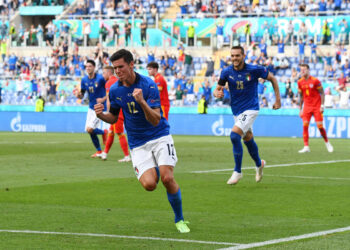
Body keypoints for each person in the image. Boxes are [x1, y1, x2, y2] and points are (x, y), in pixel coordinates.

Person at [94, 49, 190, 233]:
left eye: (121, 67)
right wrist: (101, 115)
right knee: (149, 185)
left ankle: (180, 219)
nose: (118, 72)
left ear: (131, 64)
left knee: (167, 178)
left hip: (159, 136)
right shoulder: (114, 90)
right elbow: (113, 118)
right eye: (115, 68)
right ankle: (155, 166)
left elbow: (155, 119)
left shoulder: (148, 84)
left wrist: (142, 102)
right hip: (138, 143)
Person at [213, 45, 281, 185]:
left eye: (237, 55)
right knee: (248, 138)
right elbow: (217, 88)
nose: (234, 58)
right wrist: (217, 93)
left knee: (234, 135)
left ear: (243, 56)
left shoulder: (254, 70)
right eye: (232, 56)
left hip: (251, 109)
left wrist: (278, 100)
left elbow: (273, 78)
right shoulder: (226, 72)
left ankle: (237, 171)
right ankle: (259, 164)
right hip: (237, 111)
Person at [74, 59, 108, 158]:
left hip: (100, 107)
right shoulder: (84, 80)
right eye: (86, 66)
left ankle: (104, 133)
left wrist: (103, 99)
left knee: (90, 129)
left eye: (90, 66)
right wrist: (78, 95)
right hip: (91, 107)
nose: (88, 68)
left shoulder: (101, 79)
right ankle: (99, 150)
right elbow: (82, 95)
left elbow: (109, 91)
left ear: (94, 67)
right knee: (88, 130)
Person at [297, 64, 333, 153]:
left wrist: (322, 106)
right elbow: (301, 96)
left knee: (320, 126)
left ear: (308, 70)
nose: (302, 71)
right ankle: (306, 146)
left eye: (304, 69)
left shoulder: (315, 81)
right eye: (301, 70)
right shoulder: (300, 82)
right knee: (305, 126)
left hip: (317, 107)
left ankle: (327, 143)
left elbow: (322, 93)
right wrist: (300, 109)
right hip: (307, 107)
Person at [101, 66, 131, 162]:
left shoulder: (109, 83)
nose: (103, 75)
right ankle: (105, 153)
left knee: (119, 132)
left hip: (117, 111)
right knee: (111, 132)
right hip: (122, 108)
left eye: (104, 73)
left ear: (109, 73)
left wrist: (110, 113)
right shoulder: (119, 81)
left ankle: (127, 156)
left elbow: (109, 99)